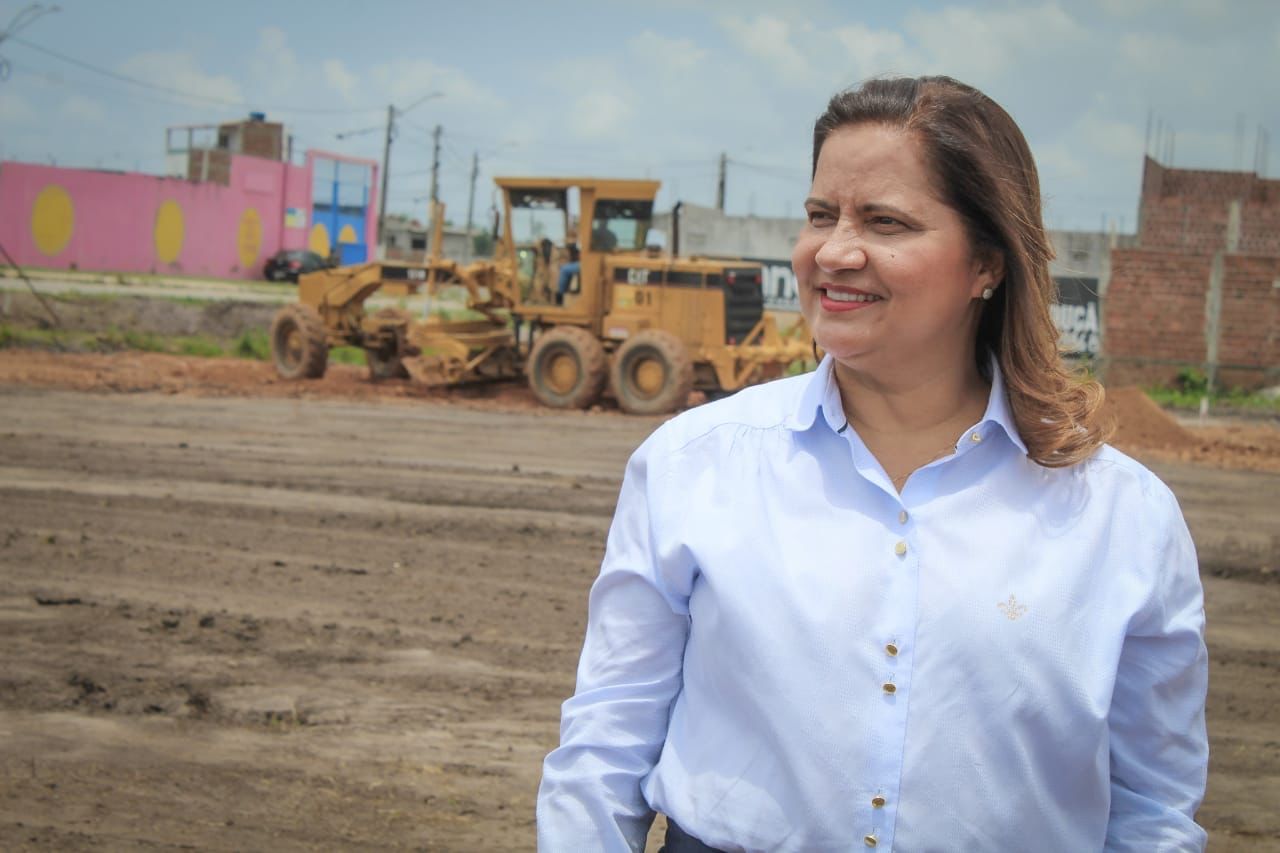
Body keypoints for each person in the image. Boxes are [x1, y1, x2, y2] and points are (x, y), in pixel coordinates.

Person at [537, 76, 1208, 852]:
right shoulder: (693, 466)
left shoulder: (1124, 518)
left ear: (986, 262)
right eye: (821, 215)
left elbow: (1153, 807)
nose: (835, 250)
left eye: (885, 222)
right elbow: (605, 746)